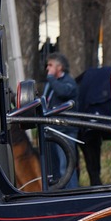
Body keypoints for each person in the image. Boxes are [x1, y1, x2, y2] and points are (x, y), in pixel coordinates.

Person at [42, 52, 79, 187]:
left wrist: (51, 79)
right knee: (56, 168)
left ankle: (73, 194)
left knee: (67, 166)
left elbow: (63, 92)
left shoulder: (68, 82)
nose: (47, 68)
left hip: (66, 131)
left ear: (60, 67)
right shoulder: (51, 83)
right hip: (54, 130)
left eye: (50, 65)